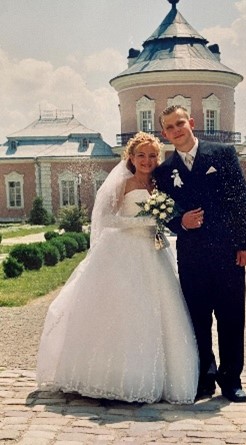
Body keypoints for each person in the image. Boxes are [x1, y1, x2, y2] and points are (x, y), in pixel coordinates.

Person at [36, 131, 198, 404]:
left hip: (153, 252)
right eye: (141, 155)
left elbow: (167, 216)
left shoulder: (160, 184)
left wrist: (160, 222)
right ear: (131, 157)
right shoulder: (123, 183)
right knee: (122, 309)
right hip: (122, 252)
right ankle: (110, 375)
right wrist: (144, 222)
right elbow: (107, 219)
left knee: (156, 309)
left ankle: (153, 374)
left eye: (151, 155)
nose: (146, 160)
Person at [154, 105, 246, 403]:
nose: (176, 130)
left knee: (231, 317)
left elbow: (240, 198)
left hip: (228, 254)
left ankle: (231, 379)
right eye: (170, 127)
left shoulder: (223, 154)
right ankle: (205, 377)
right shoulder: (164, 171)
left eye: (180, 123)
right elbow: (164, 210)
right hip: (192, 256)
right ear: (165, 133)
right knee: (198, 319)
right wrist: (180, 221)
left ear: (192, 123)